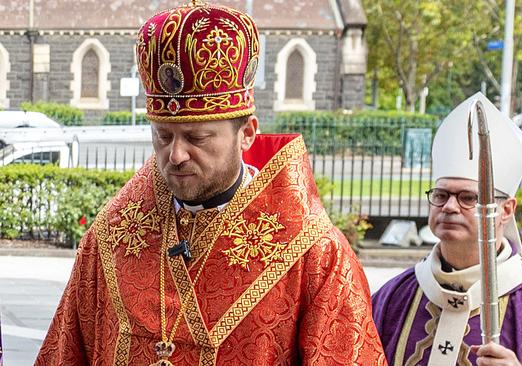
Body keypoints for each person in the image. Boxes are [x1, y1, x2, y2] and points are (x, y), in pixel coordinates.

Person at [36, 2, 386, 365]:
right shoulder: (111, 236)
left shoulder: (313, 254)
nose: (176, 155)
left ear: (247, 133)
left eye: (197, 138)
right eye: (163, 137)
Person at [371, 92, 522, 366]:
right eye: (440, 195)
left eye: (468, 197)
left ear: (506, 210)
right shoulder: (395, 297)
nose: (449, 206)